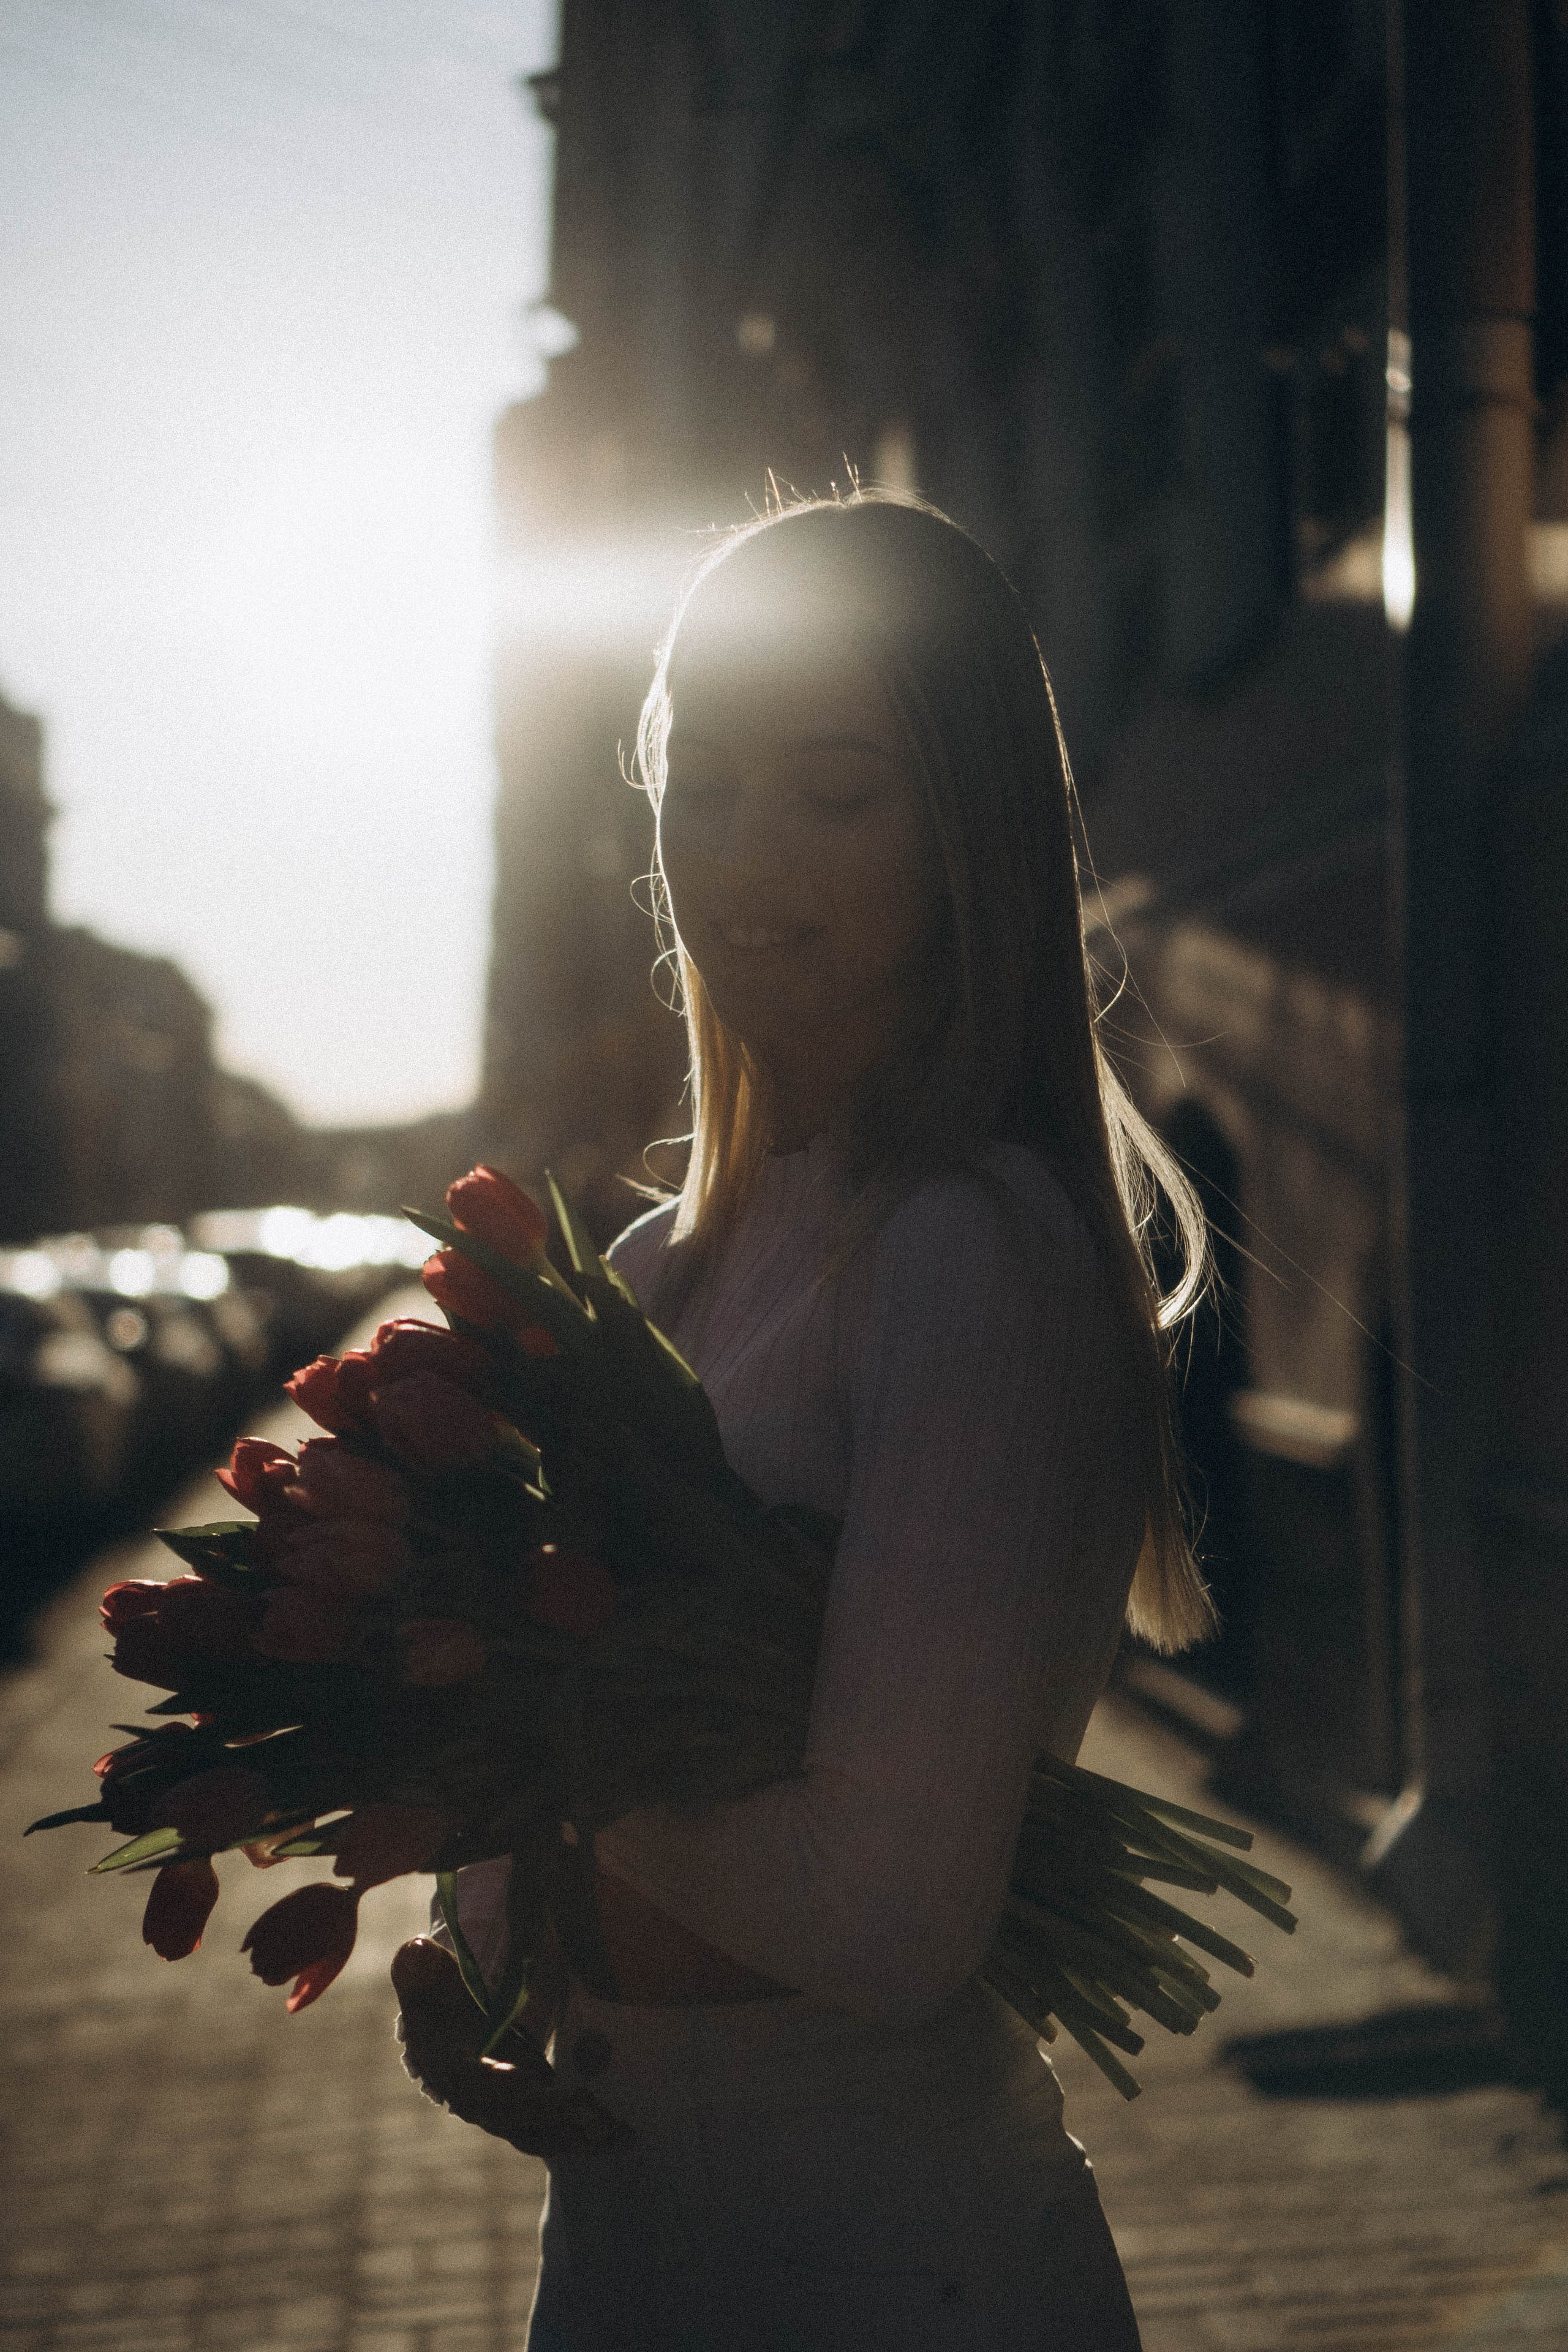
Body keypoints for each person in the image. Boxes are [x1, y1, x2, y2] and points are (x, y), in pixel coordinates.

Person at [394, 491, 1214, 2350]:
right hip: (619, 2253)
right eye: (706, 781)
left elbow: (889, 1917)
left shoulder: (968, 1251)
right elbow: (593, 1762)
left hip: (893, 2265)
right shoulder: (656, 1272)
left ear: (969, 828)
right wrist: (479, 1936)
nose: (747, 853)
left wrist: (530, 1760)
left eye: (839, 791)